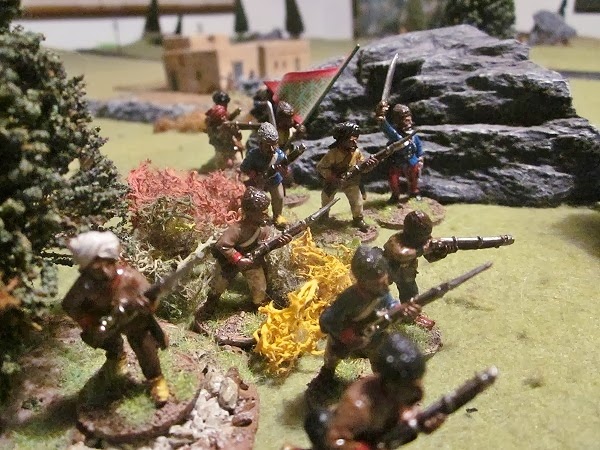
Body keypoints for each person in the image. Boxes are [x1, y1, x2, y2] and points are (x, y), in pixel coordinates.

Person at [62, 231, 170, 406]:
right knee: (108, 342)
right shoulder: (85, 285)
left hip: (133, 321)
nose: (104, 270)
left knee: (145, 348)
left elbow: (152, 299)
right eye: (96, 266)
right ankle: (117, 357)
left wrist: (146, 305)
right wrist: (90, 321)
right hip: (106, 323)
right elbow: (70, 305)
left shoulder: (130, 277)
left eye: (105, 263)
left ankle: (156, 380)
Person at [303, 332, 445, 450]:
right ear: (390, 381)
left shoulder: (409, 388)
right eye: (407, 383)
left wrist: (422, 422)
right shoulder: (357, 407)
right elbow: (335, 442)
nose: (415, 387)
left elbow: (409, 411)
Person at [191, 187, 291, 331]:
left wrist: (279, 243)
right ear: (250, 213)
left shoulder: (263, 229)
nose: (265, 215)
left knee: (259, 287)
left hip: (252, 262)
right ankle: (210, 304)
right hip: (229, 263)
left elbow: (265, 246)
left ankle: (258, 306)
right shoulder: (236, 229)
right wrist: (238, 259)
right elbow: (223, 245)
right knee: (218, 285)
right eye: (262, 212)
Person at [317, 246, 421, 381]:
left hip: (374, 336)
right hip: (344, 340)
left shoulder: (381, 293)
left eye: (385, 282)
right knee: (332, 360)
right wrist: (347, 335)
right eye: (378, 284)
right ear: (364, 283)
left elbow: (391, 304)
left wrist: (402, 310)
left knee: (379, 362)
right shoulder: (349, 299)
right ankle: (325, 378)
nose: (384, 287)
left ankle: (379, 383)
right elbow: (327, 320)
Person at [316, 122, 377, 232]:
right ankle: (324, 215)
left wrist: (369, 165)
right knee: (326, 199)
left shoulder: (357, 153)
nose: (355, 142)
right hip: (334, 181)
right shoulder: (332, 154)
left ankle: (358, 219)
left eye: (356, 139)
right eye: (351, 140)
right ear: (342, 140)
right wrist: (333, 178)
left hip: (351, 182)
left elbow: (362, 167)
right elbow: (321, 167)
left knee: (357, 201)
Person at [383, 211, 450, 302]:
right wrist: (423, 249)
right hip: (386, 270)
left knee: (411, 298)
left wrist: (441, 253)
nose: (426, 238)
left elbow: (430, 258)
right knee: (378, 294)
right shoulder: (396, 239)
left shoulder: (424, 239)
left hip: (406, 274)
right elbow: (401, 254)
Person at [240, 123, 288, 227]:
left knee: (279, 197)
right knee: (255, 200)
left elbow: (286, 171)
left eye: (274, 145)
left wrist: (283, 171)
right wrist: (252, 174)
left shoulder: (280, 155)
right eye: (267, 145)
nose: (272, 149)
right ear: (260, 144)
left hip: (274, 179)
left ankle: (277, 216)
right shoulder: (253, 155)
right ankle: (256, 218)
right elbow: (243, 167)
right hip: (258, 181)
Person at [376, 102, 424, 203]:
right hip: (396, 160)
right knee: (393, 178)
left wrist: (420, 157)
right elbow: (388, 130)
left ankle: (414, 192)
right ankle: (395, 195)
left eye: (409, 118)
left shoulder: (413, 134)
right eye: (405, 119)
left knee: (414, 176)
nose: (408, 121)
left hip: (411, 159)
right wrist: (382, 119)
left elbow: (418, 146)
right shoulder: (395, 134)